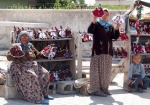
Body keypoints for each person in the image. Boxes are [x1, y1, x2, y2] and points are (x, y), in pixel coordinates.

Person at [6, 31, 53, 104]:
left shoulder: (30, 45)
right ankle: (38, 98)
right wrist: (15, 54)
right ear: (19, 37)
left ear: (28, 37)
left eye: (26, 36)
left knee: (46, 73)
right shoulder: (15, 46)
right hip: (19, 66)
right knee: (32, 76)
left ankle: (45, 94)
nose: (24, 38)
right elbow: (9, 57)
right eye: (22, 36)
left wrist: (45, 51)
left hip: (32, 65)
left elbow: (37, 54)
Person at [87, 8, 121, 97]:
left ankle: (104, 88)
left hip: (107, 52)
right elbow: (90, 30)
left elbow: (115, 36)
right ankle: (95, 89)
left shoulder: (110, 26)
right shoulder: (97, 24)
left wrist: (117, 27)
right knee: (96, 70)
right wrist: (94, 18)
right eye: (104, 14)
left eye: (107, 14)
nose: (105, 15)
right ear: (100, 14)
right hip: (98, 51)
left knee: (106, 71)